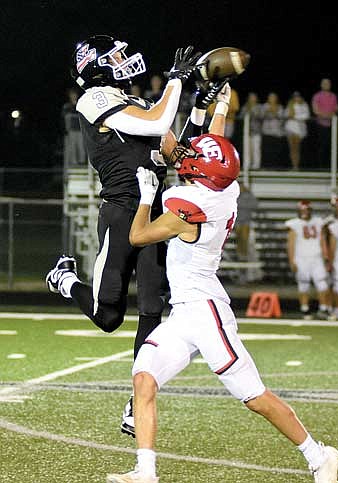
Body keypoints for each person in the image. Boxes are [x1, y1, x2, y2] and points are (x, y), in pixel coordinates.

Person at [106, 86, 338, 483]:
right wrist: (219, 105)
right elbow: (212, 145)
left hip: (206, 311)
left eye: (194, 158)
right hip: (185, 310)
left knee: (254, 397)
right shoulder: (224, 189)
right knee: (144, 378)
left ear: (200, 174)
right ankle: (145, 471)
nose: (190, 156)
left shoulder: (189, 208)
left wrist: (146, 196)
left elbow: (138, 236)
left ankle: (319, 455)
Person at [45, 35, 202, 437]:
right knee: (108, 316)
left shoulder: (140, 105)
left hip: (152, 213)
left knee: (152, 308)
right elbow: (157, 122)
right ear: (96, 66)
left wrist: (201, 106)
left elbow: (178, 153)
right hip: (120, 212)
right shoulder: (93, 99)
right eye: (115, 56)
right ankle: (65, 281)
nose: (125, 60)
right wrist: (176, 81)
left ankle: (137, 402)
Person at [285, 200, 331, 320]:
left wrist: (326, 257)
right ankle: (305, 310)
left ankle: (323, 309)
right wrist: (292, 260)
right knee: (303, 284)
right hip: (301, 259)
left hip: (317, 258)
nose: (305, 213)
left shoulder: (318, 222)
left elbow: (323, 240)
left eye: (306, 210)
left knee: (322, 284)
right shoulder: (294, 224)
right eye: (302, 210)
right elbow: (291, 244)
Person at [311, 78, 338, 169]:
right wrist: (326, 115)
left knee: (332, 146)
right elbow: (315, 110)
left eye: (328, 83)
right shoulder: (317, 96)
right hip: (320, 125)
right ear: (321, 85)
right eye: (325, 83)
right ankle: (320, 167)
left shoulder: (334, 96)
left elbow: (336, 108)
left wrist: (333, 114)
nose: (326, 85)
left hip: (333, 125)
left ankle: (330, 166)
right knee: (321, 147)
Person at [61, 86, 87, 167]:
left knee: (81, 146)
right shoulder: (67, 106)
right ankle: (74, 162)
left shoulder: (80, 104)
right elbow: (64, 118)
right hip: (71, 130)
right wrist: (65, 130)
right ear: (69, 96)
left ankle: (82, 162)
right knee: (73, 146)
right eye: (72, 94)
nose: (73, 96)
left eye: (74, 94)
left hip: (80, 129)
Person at [284, 91, 310, 170]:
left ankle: (297, 166)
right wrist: (291, 115)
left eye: (298, 96)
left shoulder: (304, 105)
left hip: (299, 129)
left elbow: (306, 115)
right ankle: (293, 166)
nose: (297, 98)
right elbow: (286, 114)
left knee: (297, 148)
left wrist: (295, 116)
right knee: (292, 148)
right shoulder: (290, 104)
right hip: (290, 128)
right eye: (295, 96)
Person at [261, 92, 287, 168]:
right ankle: (267, 167)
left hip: (277, 133)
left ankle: (276, 167)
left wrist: (274, 112)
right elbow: (261, 116)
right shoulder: (264, 106)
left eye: (273, 97)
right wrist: (268, 111)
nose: (272, 99)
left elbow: (282, 119)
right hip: (267, 132)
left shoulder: (280, 107)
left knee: (276, 151)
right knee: (267, 151)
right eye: (270, 97)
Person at [238, 91, 263, 169]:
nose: (252, 99)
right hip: (247, 132)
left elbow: (261, 116)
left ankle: (256, 165)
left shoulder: (259, 107)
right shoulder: (245, 107)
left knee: (256, 149)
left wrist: (253, 112)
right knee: (247, 149)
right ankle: (247, 165)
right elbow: (241, 116)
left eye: (254, 97)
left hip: (256, 131)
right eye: (251, 97)